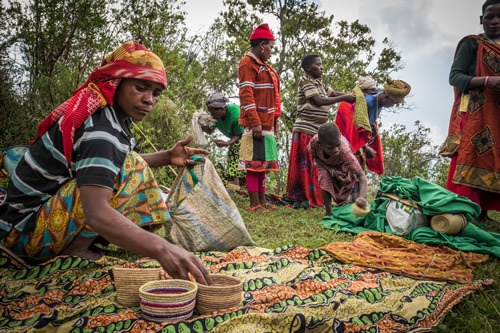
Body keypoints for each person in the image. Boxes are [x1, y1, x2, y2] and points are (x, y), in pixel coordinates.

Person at [0, 41, 212, 285]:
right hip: (24, 235)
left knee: (130, 166)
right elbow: (97, 212)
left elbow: (110, 165)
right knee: (131, 171)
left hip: (25, 224)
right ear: (116, 82)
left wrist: (166, 157)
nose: (149, 100)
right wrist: (161, 248)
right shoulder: (101, 129)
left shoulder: (110, 118)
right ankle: (74, 251)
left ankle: (78, 244)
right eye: (141, 88)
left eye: (155, 93)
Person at [439, 0, 500, 222]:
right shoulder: (472, 44)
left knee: (495, 158)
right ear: (481, 19)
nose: (495, 21)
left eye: (499, 17)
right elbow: (454, 77)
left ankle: (483, 212)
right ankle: (463, 211)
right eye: (490, 16)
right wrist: (486, 80)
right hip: (475, 113)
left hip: (497, 114)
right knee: (470, 155)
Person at [286, 54, 355, 208]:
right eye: (318, 64)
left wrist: (351, 96)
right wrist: (344, 98)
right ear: (309, 68)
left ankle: (315, 197)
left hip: (317, 131)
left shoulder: (321, 85)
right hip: (305, 128)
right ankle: (302, 196)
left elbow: (333, 93)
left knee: (316, 164)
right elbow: (318, 100)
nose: (322, 67)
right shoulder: (306, 82)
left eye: (322, 64)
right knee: (305, 164)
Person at [238, 23, 280, 212]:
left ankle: (262, 200)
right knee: (253, 163)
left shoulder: (263, 66)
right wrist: (255, 122)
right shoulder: (247, 63)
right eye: (270, 47)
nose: (271, 51)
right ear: (262, 45)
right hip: (257, 122)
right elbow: (246, 94)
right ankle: (254, 203)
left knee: (263, 163)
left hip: (266, 121)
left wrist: (273, 122)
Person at [335, 76, 411, 175]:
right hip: (345, 139)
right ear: (386, 96)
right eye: (392, 103)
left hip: (360, 143)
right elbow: (354, 129)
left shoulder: (378, 97)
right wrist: (365, 147)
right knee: (352, 171)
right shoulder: (368, 103)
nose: (392, 106)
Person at [308, 123, 368, 217]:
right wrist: (331, 171)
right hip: (325, 166)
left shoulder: (345, 151)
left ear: (340, 138)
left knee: (352, 203)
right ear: (320, 144)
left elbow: (361, 175)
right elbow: (316, 158)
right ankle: (328, 212)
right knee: (324, 176)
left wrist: (362, 197)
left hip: (343, 166)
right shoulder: (314, 143)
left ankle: (348, 201)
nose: (336, 150)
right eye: (330, 148)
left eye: (337, 145)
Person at [200, 92, 245, 189]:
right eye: (210, 112)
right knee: (235, 152)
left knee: (235, 150)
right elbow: (210, 131)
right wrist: (200, 124)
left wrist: (227, 143)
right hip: (237, 137)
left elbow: (239, 134)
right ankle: (240, 182)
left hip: (247, 137)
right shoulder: (216, 116)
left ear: (222, 109)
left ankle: (235, 181)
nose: (211, 115)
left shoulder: (235, 115)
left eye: (213, 112)